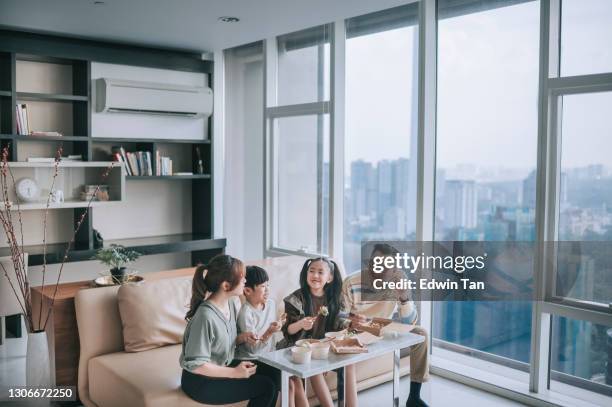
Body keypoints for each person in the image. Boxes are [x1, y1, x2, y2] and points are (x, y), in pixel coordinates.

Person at [180, 254, 277, 407]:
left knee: (276, 373)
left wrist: (242, 338)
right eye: (242, 277)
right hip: (201, 381)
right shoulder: (205, 317)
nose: (245, 280)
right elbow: (196, 365)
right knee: (266, 387)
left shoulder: (231, 303)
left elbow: (223, 341)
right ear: (226, 286)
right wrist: (235, 373)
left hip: (222, 367)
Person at [343, 244, 430, 407]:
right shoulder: (351, 282)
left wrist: (404, 297)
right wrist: (351, 322)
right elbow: (338, 318)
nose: (378, 268)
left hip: (384, 329)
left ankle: (414, 397)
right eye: (375, 262)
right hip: (357, 332)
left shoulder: (399, 280)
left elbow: (410, 322)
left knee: (421, 333)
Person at [281, 257, 357, 407]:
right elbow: (288, 331)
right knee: (313, 366)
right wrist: (301, 324)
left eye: (320, 272)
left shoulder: (335, 298)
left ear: (329, 278)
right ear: (306, 274)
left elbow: (340, 322)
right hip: (298, 347)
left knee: (350, 363)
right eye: (312, 271)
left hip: (324, 347)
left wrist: (352, 323)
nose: (315, 275)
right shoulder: (295, 299)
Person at [236, 265, 309, 407]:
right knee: (289, 384)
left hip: (269, 357)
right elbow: (253, 350)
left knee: (296, 380)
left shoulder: (270, 304)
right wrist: (269, 332)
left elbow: (273, 335)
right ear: (247, 290)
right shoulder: (246, 314)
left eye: (268, 285)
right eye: (263, 286)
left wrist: (279, 325)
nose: (268, 290)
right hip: (252, 360)